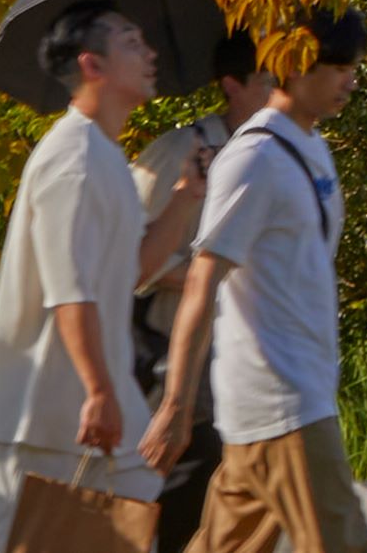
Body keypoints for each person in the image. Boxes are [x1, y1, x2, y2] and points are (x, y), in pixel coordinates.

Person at [140, 9, 367, 553]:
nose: (350, 79)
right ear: (290, 65)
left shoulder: (310, 146)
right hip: (283, 402)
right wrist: (174, 409)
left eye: (354, 66)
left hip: (284, 399)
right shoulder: (254, 156)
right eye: (337, 65)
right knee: (347, 544)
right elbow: (202, 281)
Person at [0, 4, 161, 553]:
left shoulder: (106, 157)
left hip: (99, 408)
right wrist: (99, 389)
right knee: (6, 545)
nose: (150, 54)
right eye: (132, 41)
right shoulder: (72, 159)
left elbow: (129, 274)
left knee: (136, 526)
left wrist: (182, 202)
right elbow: (68, 291)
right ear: (92, 65)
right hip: (45, 410)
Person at [125, 33, 273, 553]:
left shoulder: (278, 155)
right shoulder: (181, 150)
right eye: (267, 80)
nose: (281, 91)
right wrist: (210, 278)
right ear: (232, 86)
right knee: (180, 502)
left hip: (248, 368)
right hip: (173, 363)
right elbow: (127, 260)